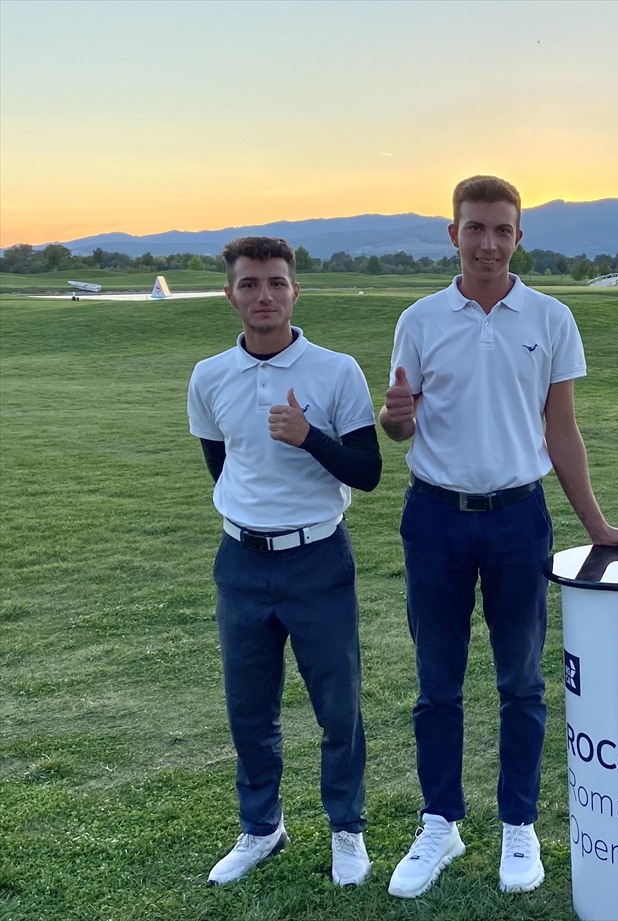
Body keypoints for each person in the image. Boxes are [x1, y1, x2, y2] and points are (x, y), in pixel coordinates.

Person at [378, 175, 618, 898]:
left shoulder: (550, 318)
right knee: (437, 681)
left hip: (519, 518)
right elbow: (399, 424)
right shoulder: (420, 319)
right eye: (474, 228)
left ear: (519, 236)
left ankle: (519, 822)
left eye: (501, 229)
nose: (487, 243)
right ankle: (440, 822)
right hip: (435, 517)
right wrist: (395, 418)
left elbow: (562, 431)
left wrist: (596, 524)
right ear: (452, 233)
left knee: (520, 680)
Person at [187, 236, 381, 887]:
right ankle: (260, 827)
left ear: (296, 290)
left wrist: (308, 437)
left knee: (337, 706)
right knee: (249, 707)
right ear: (230, 295)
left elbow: (367, 470)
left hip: (317, 559)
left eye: (276, 282)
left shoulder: (335, 371)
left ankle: (347, 829)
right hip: (241, 562)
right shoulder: (210, 375)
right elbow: (222, 463)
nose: (263, 295)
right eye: (249, 283)